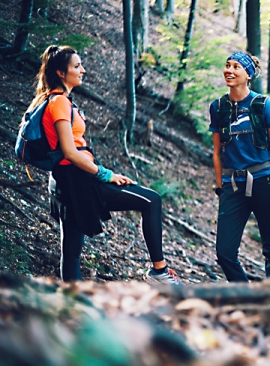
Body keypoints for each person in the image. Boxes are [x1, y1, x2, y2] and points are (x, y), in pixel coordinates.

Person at [26, 45, 181, 285]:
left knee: (72, 253)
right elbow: (69, 151)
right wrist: (105, 174)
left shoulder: (55, 100)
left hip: (64, 180)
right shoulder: (59, 103)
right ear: (60, 72)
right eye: (76, 66)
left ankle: (74, 306)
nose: (83, 70)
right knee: (151, 201)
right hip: (77, 179)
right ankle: (159, 272)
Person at [209, 51, 270, 282]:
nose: (229, 71)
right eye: (227, 65)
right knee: (224, 253)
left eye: (236, 67)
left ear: (248, 74)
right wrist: (220, 187)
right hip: (232, 185)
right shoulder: (218, 107)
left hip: (264, 181)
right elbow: (217, 152)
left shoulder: (262, 105)